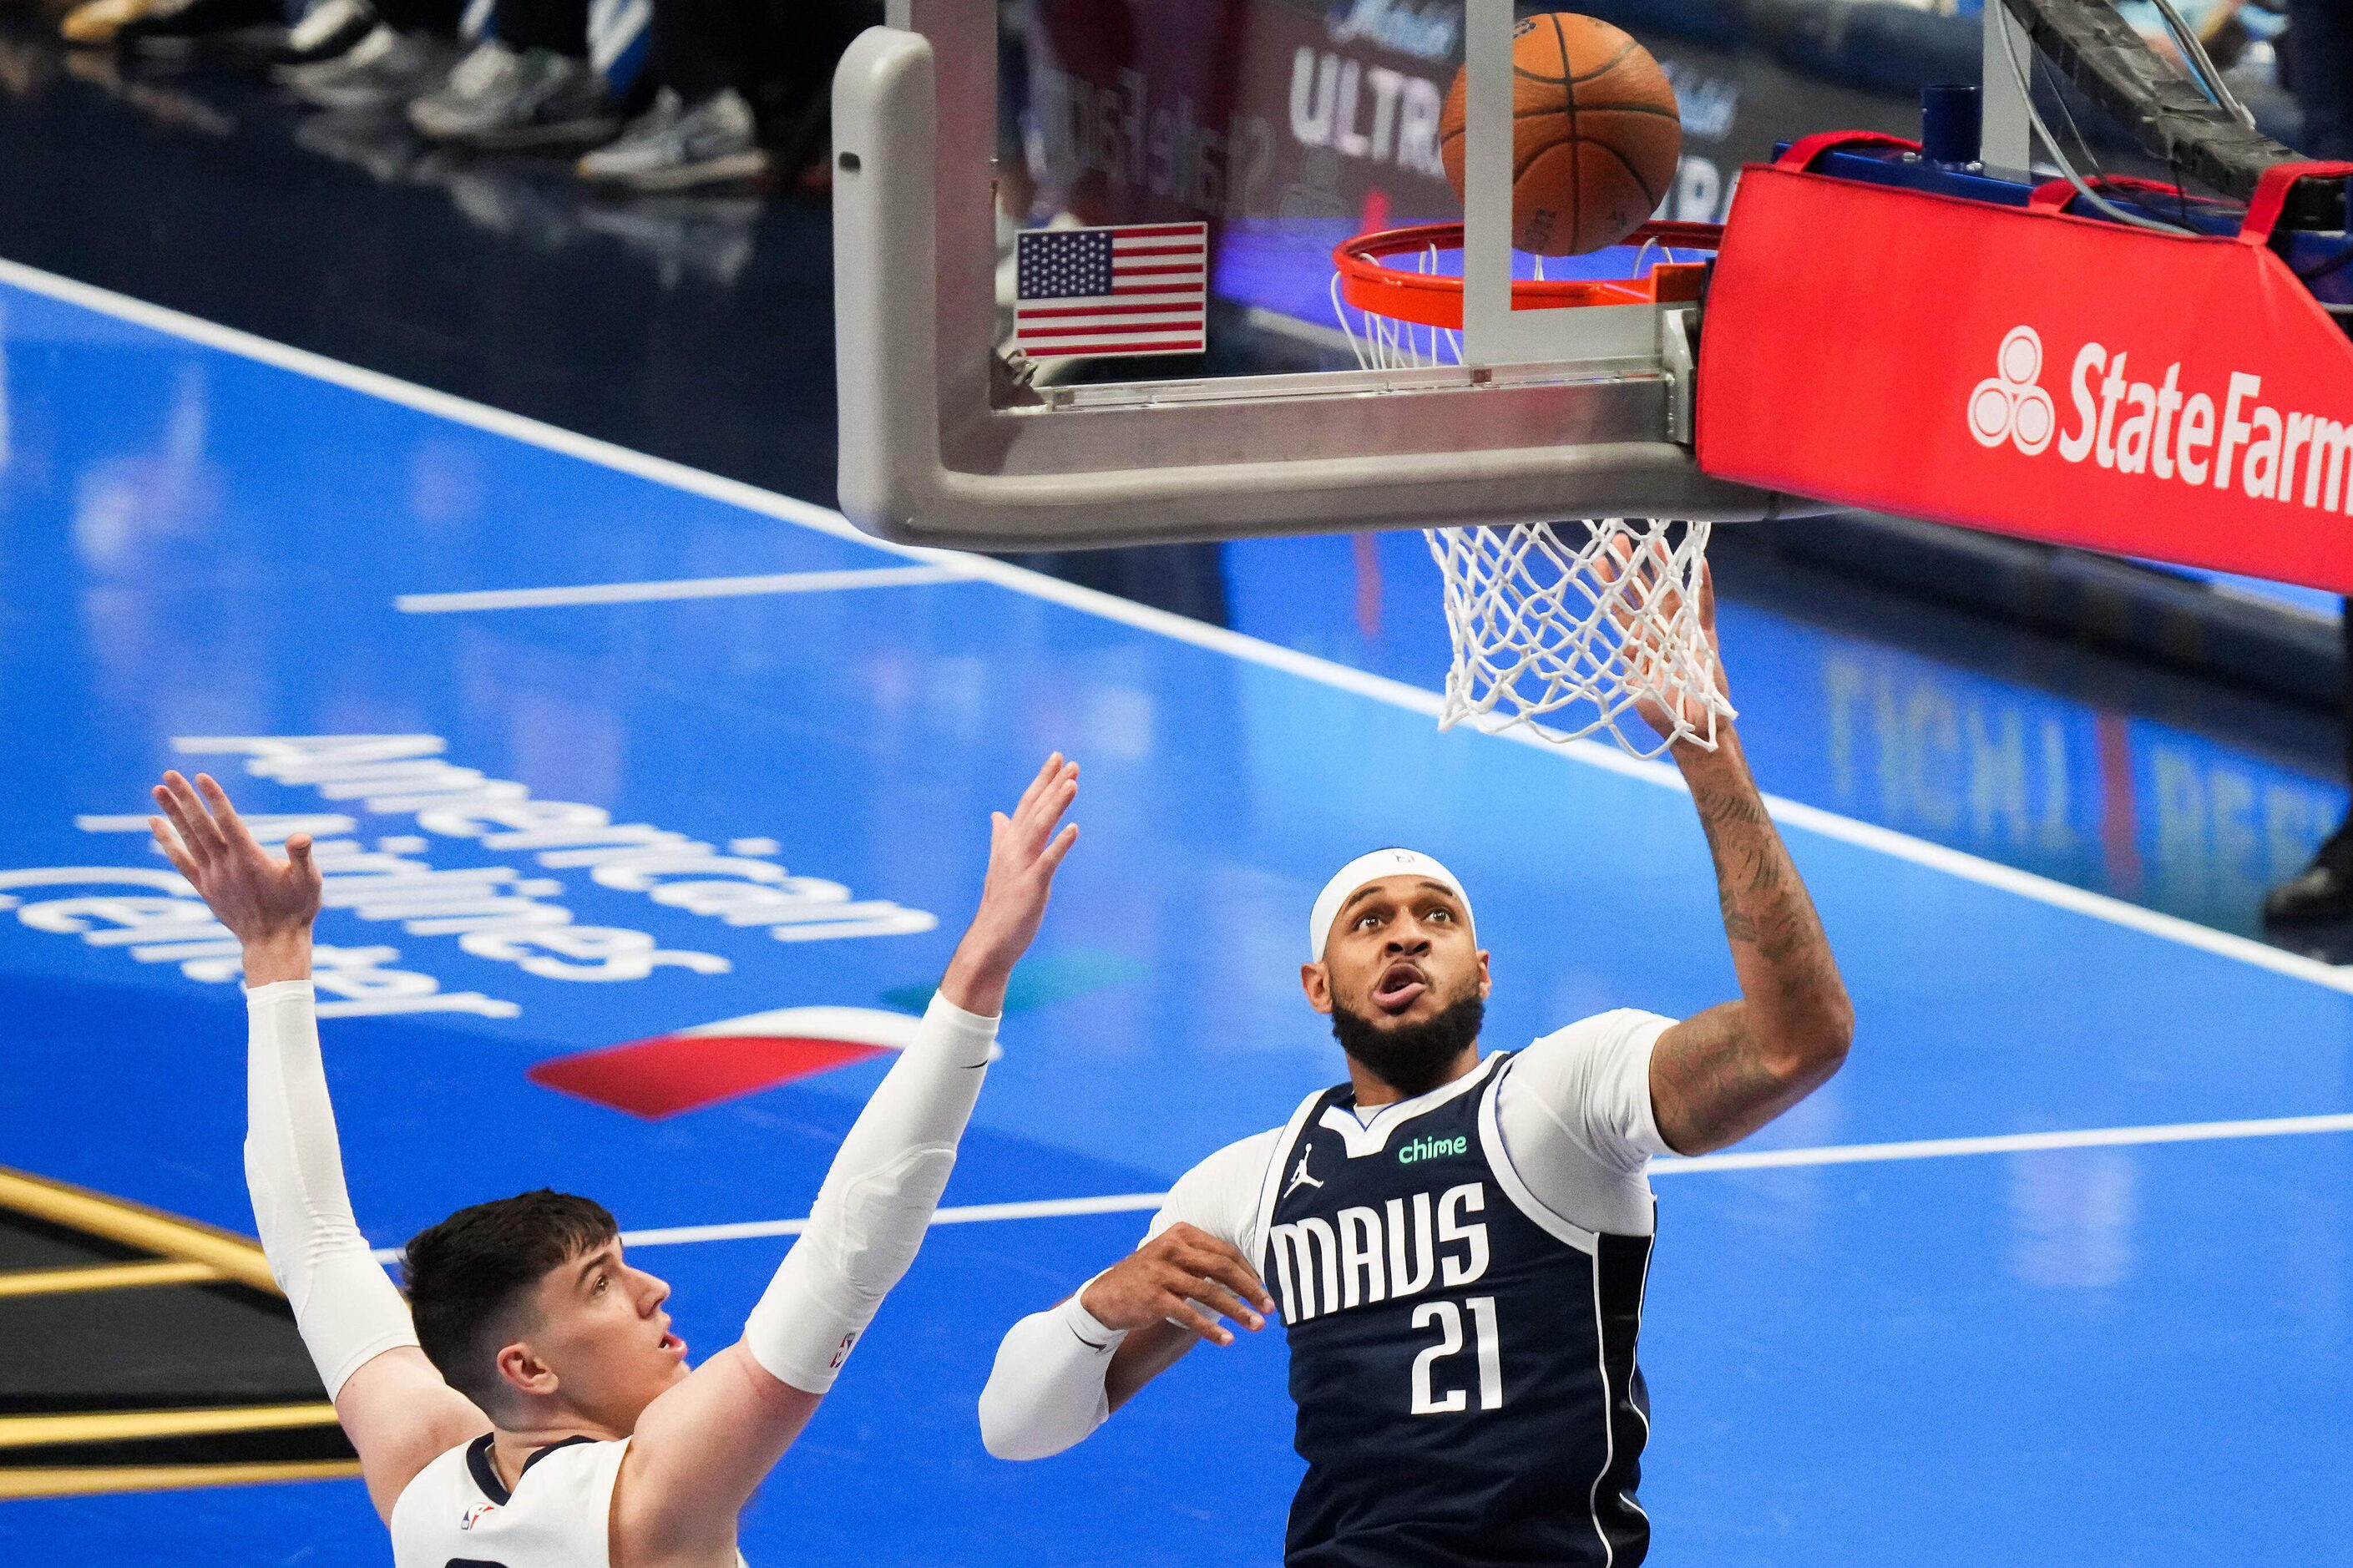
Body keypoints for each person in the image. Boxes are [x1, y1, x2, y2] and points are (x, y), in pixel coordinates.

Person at [977, 578, 1854, 1566]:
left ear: (1480, 971)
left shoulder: (1559, 1100)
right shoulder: (1248, 1185)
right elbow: (1015, 1428)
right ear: (1318, 983)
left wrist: (1707, 757)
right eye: (1370, 921)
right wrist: (1098, 1310)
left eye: (1436, 917)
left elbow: (1797, 1041)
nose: (1405, 937)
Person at [147, 755, 1080, 1566]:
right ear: (528, 1367)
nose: (654, 1291)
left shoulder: (425, 1473)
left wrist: (274, 955)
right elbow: (852, 1249)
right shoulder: (652, 1496)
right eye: (600, 1286)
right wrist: (974, 980)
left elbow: (310, 1240)